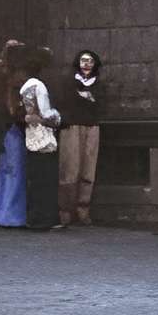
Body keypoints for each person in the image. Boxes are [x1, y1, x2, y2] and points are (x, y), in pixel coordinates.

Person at [0, 39, 58, 231]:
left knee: (5, 170)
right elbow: (13, 106)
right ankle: (12, 215)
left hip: (1, 126)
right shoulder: (15, 78)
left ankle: (4, 213)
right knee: (15, 170)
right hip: (11, 127)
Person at [52, 50, 104, 227]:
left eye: (90, 61)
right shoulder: (68, 82)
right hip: (72, 126)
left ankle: (83, 209)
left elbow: (101, 104)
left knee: (88, 170)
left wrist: (88, 99)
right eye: (83, 60)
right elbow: (63, 102)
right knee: (69, 169)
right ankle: (65, 210)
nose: (87, 64)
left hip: (92, 126)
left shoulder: (99, 84)